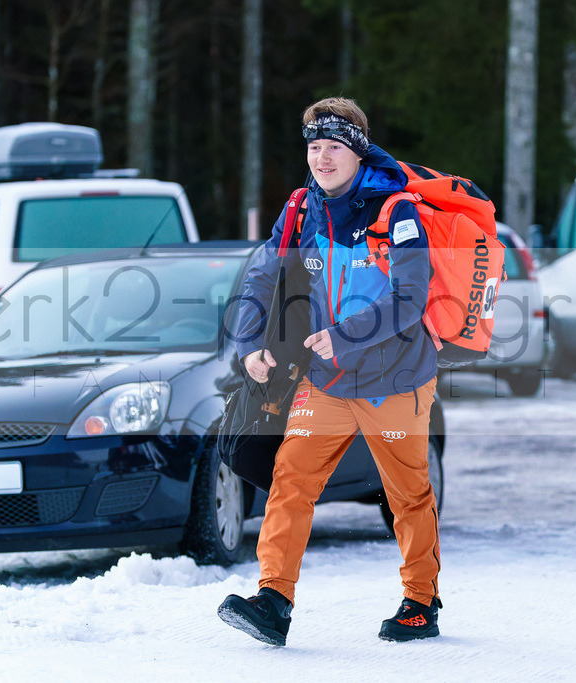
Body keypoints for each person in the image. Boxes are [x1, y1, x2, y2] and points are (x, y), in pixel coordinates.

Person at [217, 97, 442, 645]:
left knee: (406, 494)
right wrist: (247, 342)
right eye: (314, 147)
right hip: (329, 382)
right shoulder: (301, 210)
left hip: (396, 381)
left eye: (333, 147)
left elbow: (410, 299)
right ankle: (273, 600)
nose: (321, 158)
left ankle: (420, 602)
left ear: (357, 152)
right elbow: (261, 277)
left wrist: (344, 336)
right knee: (291, 480)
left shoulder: (397, 212)